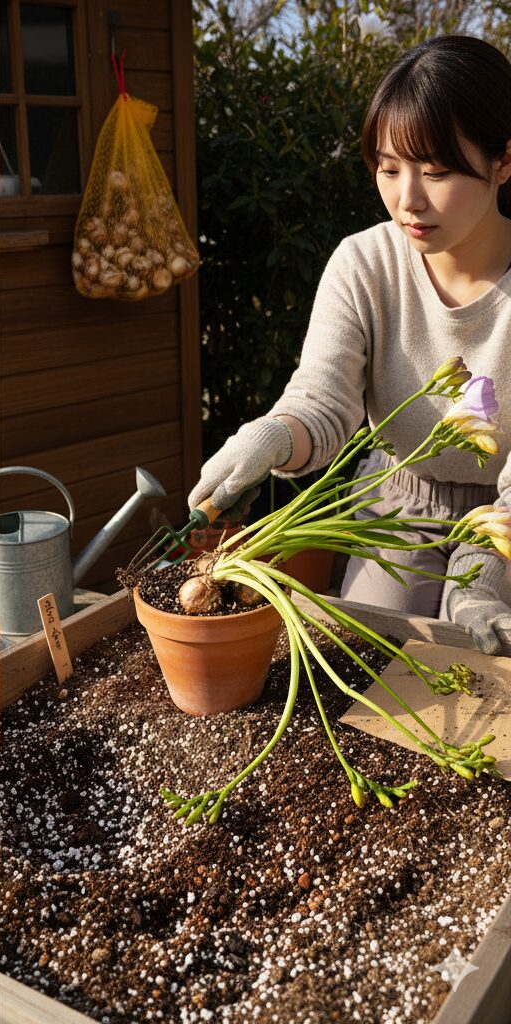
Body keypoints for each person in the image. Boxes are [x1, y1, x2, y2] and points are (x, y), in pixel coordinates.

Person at [189, 35, 511, 655]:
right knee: (364, 662)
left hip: (505, 518)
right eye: (389, 169)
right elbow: (322, 401)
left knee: (481, 672)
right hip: (396, 505)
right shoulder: (364, 264)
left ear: (503, 162)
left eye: (435, 171)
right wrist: (271, 437)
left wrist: (482, 577)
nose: (407, 199)